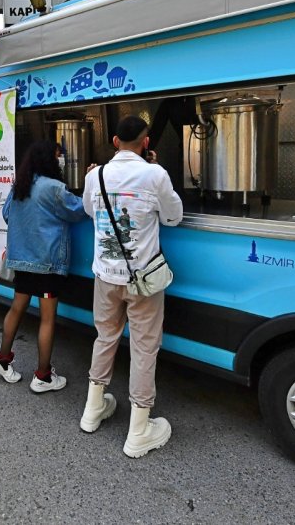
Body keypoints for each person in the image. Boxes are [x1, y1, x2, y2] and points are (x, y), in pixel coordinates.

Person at [79, 116, 183, 458]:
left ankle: (93, 409)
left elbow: (90, 211)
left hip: (105, 275)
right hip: (143, 280)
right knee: (144, 347)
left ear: (114, 141)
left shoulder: (95, 176)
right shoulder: (155, 175)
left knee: (105, 337)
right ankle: (139, 429)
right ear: (146, 142)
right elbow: (174, 217)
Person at [0, 140, 87, 393]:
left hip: (22, 260)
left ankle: (2, 358)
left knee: (16, 308)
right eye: (58, 155)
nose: (60, 160)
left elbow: (7, 214)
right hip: (46, 263)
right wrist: (90, 182)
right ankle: (43, 376)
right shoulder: (54, 188)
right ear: (48, 159)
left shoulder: (20, 185)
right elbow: (79, 210)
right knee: (47, 319)